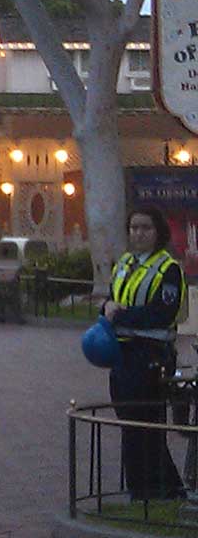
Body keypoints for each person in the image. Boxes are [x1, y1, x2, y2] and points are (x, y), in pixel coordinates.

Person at [103, 205, 190, 501]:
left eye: (145, 228)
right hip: (122, 355)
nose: (138, 233)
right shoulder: (125, 263)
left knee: (145, 425)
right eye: (134, 228)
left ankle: (149, 492)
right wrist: (106, 308)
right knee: (130, 424)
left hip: (151, 355)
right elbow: (111, 299)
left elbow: (161, 314)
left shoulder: (168, 269)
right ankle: (153, 489)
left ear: (158, 233)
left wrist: (120, 316)